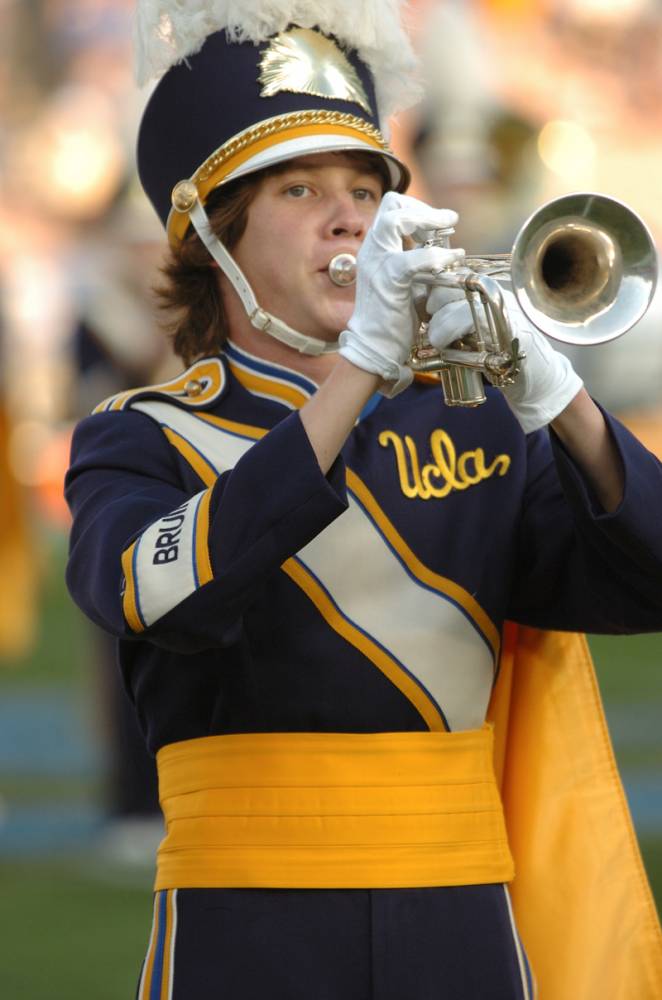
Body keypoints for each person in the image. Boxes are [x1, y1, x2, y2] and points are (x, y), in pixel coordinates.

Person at [64, 4, 662, 998]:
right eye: (298, 188)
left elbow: (646, 584)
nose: (349, 216)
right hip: (245, 926)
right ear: (213, 238)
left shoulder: (476, 425)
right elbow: (158, 599)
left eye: (364, 186)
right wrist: (360, 371)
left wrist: (562, 401)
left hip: (461, 921)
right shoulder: (142, 435)